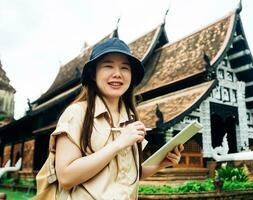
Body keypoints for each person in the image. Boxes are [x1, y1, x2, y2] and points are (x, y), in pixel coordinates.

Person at [41, 38, 184, 199]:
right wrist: (119, 143)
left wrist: (162, 163)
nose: (117, 74)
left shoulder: (130, 118)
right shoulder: (76, 113)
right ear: (94, 75)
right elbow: (66, 177)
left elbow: (127, 175)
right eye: (108, 66)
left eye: (125, 68)